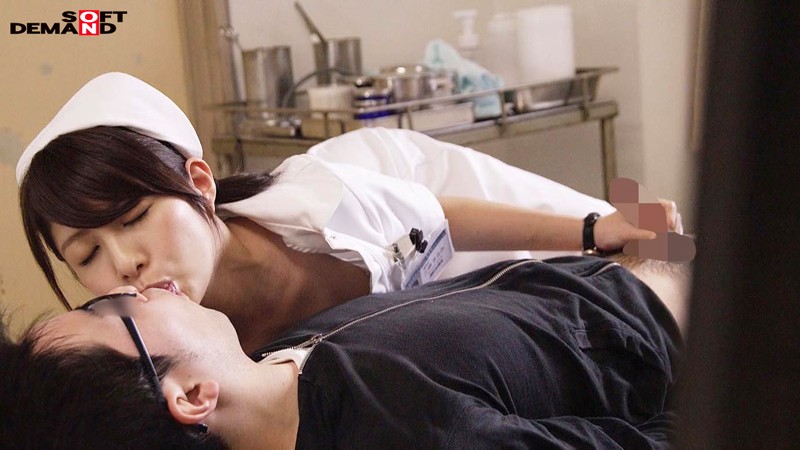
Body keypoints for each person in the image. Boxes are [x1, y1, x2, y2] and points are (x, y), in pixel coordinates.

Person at [16, 72, 680, 353]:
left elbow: (439, 218)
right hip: (433, 312)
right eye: (86, 255)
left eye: (132, 218)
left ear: (199, 183)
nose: (123, 263)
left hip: (409, 183)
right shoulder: (171, 350)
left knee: (655, 257)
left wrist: (595, 229)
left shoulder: (321, 200)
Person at [0, 254, 685, 449]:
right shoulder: (404, 431)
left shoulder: (277, 362)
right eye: (111, 313)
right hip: (693, 327)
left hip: (635, 264)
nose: (128, 287)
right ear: (191, 397)